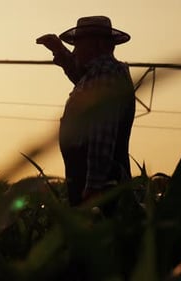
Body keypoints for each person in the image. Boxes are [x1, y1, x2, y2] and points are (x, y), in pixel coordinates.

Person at [37, 16, 135, 208]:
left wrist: (94, 186)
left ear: (96, 45)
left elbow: (101, 133)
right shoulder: (100, 73)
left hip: (102, 188)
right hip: (97, 183)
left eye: (78, 45)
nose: (75, 51)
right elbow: (79, 76)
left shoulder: (106, 73)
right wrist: (59, 51)